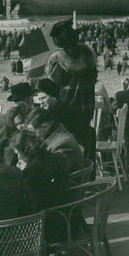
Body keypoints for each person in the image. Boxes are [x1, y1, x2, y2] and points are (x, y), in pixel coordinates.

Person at [46, 19, 98, 158]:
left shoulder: (59, 60)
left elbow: (53, 88)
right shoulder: (89, 57)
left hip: (68, 115)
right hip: (86, 113)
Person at [9, 128, 72, 214]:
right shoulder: (56, 157)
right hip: (66, 209)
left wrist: (21, 172)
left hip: (45, 216)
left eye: (18, 153)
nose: (18, 157)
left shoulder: (30, 172)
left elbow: (28, 201)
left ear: (25, 151)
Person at [25, 107, 85, 174]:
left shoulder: (63, 144)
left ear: (44, 127)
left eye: (34, 132)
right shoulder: (57, 133)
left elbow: (53, 171)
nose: (33, 135)